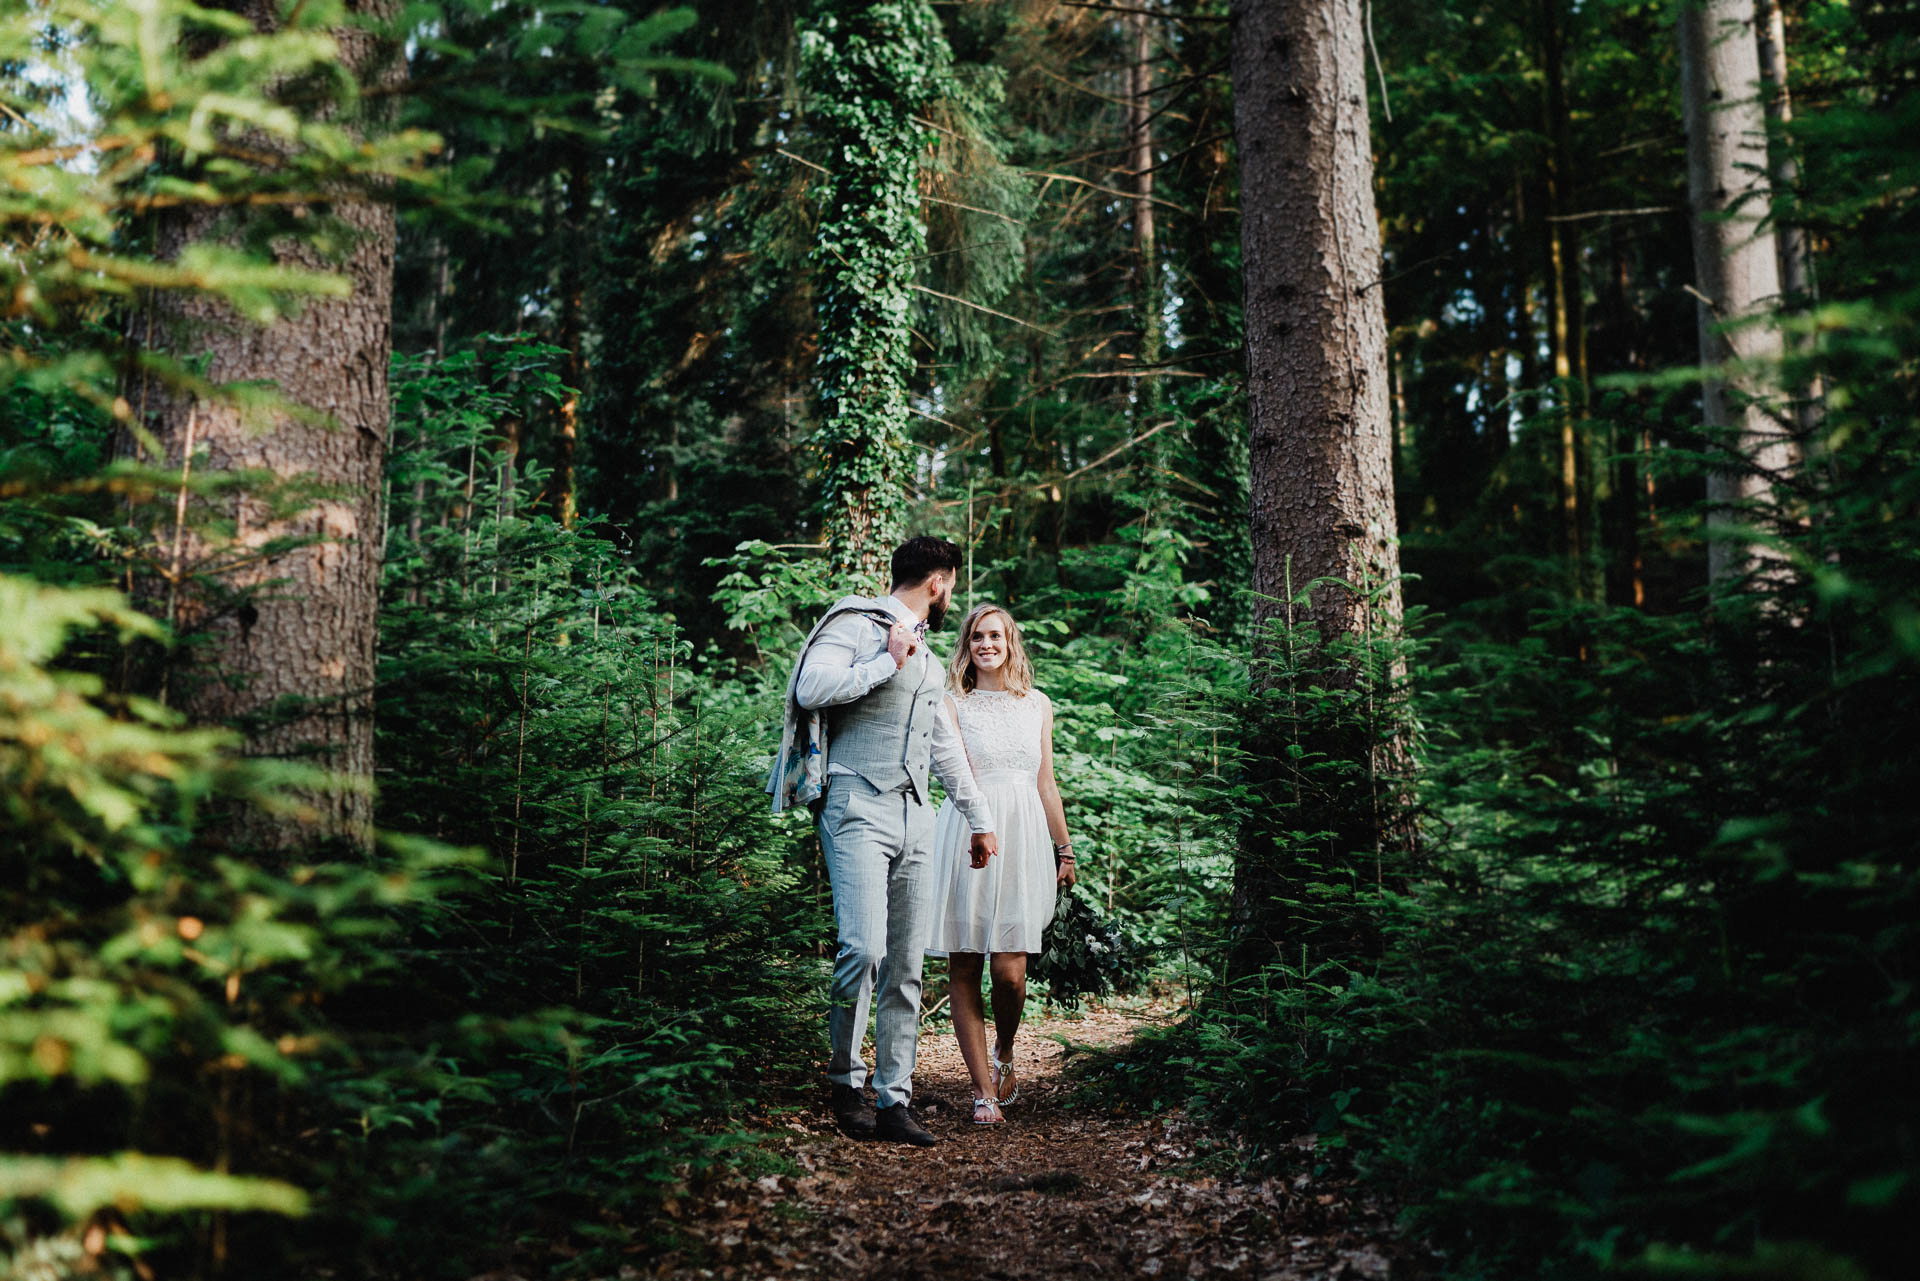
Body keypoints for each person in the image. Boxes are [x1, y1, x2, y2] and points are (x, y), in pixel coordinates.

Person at [769, 536, 997, 1147]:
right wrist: (885, 663)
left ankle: (896, 1099)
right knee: (863, 948)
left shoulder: (929, 657)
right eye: (951, 585)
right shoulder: (856, 622)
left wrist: (979, 819)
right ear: (938, 582)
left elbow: (943, 746)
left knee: (906, 964)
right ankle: (846, 1084)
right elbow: (811, 688)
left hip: (917, 815)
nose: (950, 596)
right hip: (855, 803)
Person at [925, 603, 1075, 1126]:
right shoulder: (951, 704)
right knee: (965, 963)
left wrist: (1064, 848)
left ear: (1010, 643)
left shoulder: (1038, 704)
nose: (986, 644)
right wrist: (976, 822)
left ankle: (1005, 1048)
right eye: (976, 637)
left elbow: (1045, 782)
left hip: (1024, 836)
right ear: (965, 647)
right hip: (966, 831)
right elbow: (951, 774)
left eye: (995, 636)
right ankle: (983, 1091)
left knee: (1010, 973)